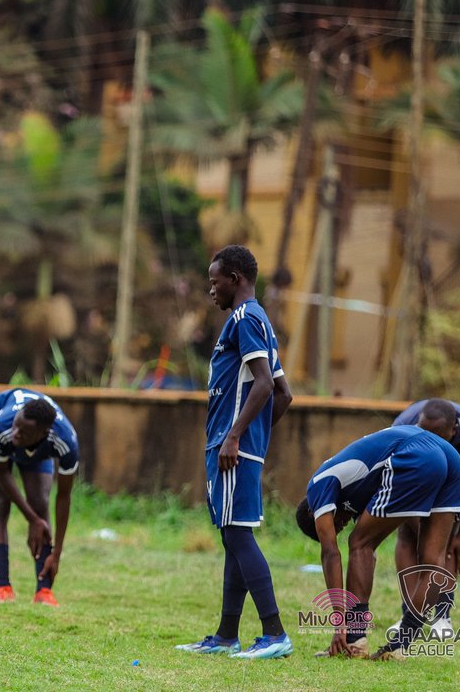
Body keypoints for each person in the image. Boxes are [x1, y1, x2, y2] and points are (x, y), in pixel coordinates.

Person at [176, 244, 294, 660]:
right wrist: (252, 437)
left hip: (231, 447)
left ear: (236, 280)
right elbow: (285, 394)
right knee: (232, 535)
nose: (211, 290)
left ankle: (275, 633)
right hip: (238, 446)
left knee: (238, 536)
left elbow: (264, 385)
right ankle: (226, 635)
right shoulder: (259, 321)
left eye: (215, 282)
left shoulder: (245, 319)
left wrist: (235, 437)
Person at [294, 400, 460, 660]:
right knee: (433, 560)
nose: (340, 526)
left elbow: (330, 552)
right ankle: (401, 645)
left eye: (336, 523)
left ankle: (355, 641)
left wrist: (338, 623)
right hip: (449, 455)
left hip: (416, 452)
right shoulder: (356, 493)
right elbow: (403, 510)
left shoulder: (318, 486)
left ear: (314, 512)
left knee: (359, 543)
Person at [387, 399, 460, 636]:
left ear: (453, 431)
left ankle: (442, 617)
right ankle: (409, 615)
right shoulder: (401, 431)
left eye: (437, 437)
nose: (429, 443)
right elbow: (396, 486)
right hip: (414, 479)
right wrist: (420, 527)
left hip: (455, 480)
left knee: (446, 543)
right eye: (424, 435)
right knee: (406, 536)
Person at [0, 388, 78, 608]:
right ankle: (3, 587)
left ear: (43, 433)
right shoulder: (2, 427)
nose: (16, 433)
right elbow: (2, 474)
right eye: (16, 426)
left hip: (40, 448)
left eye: (23, 432)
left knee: (40, 503)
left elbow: (63, 497)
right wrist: (31, 519)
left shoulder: (65, 442)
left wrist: (58, 553)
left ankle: (43, 590)